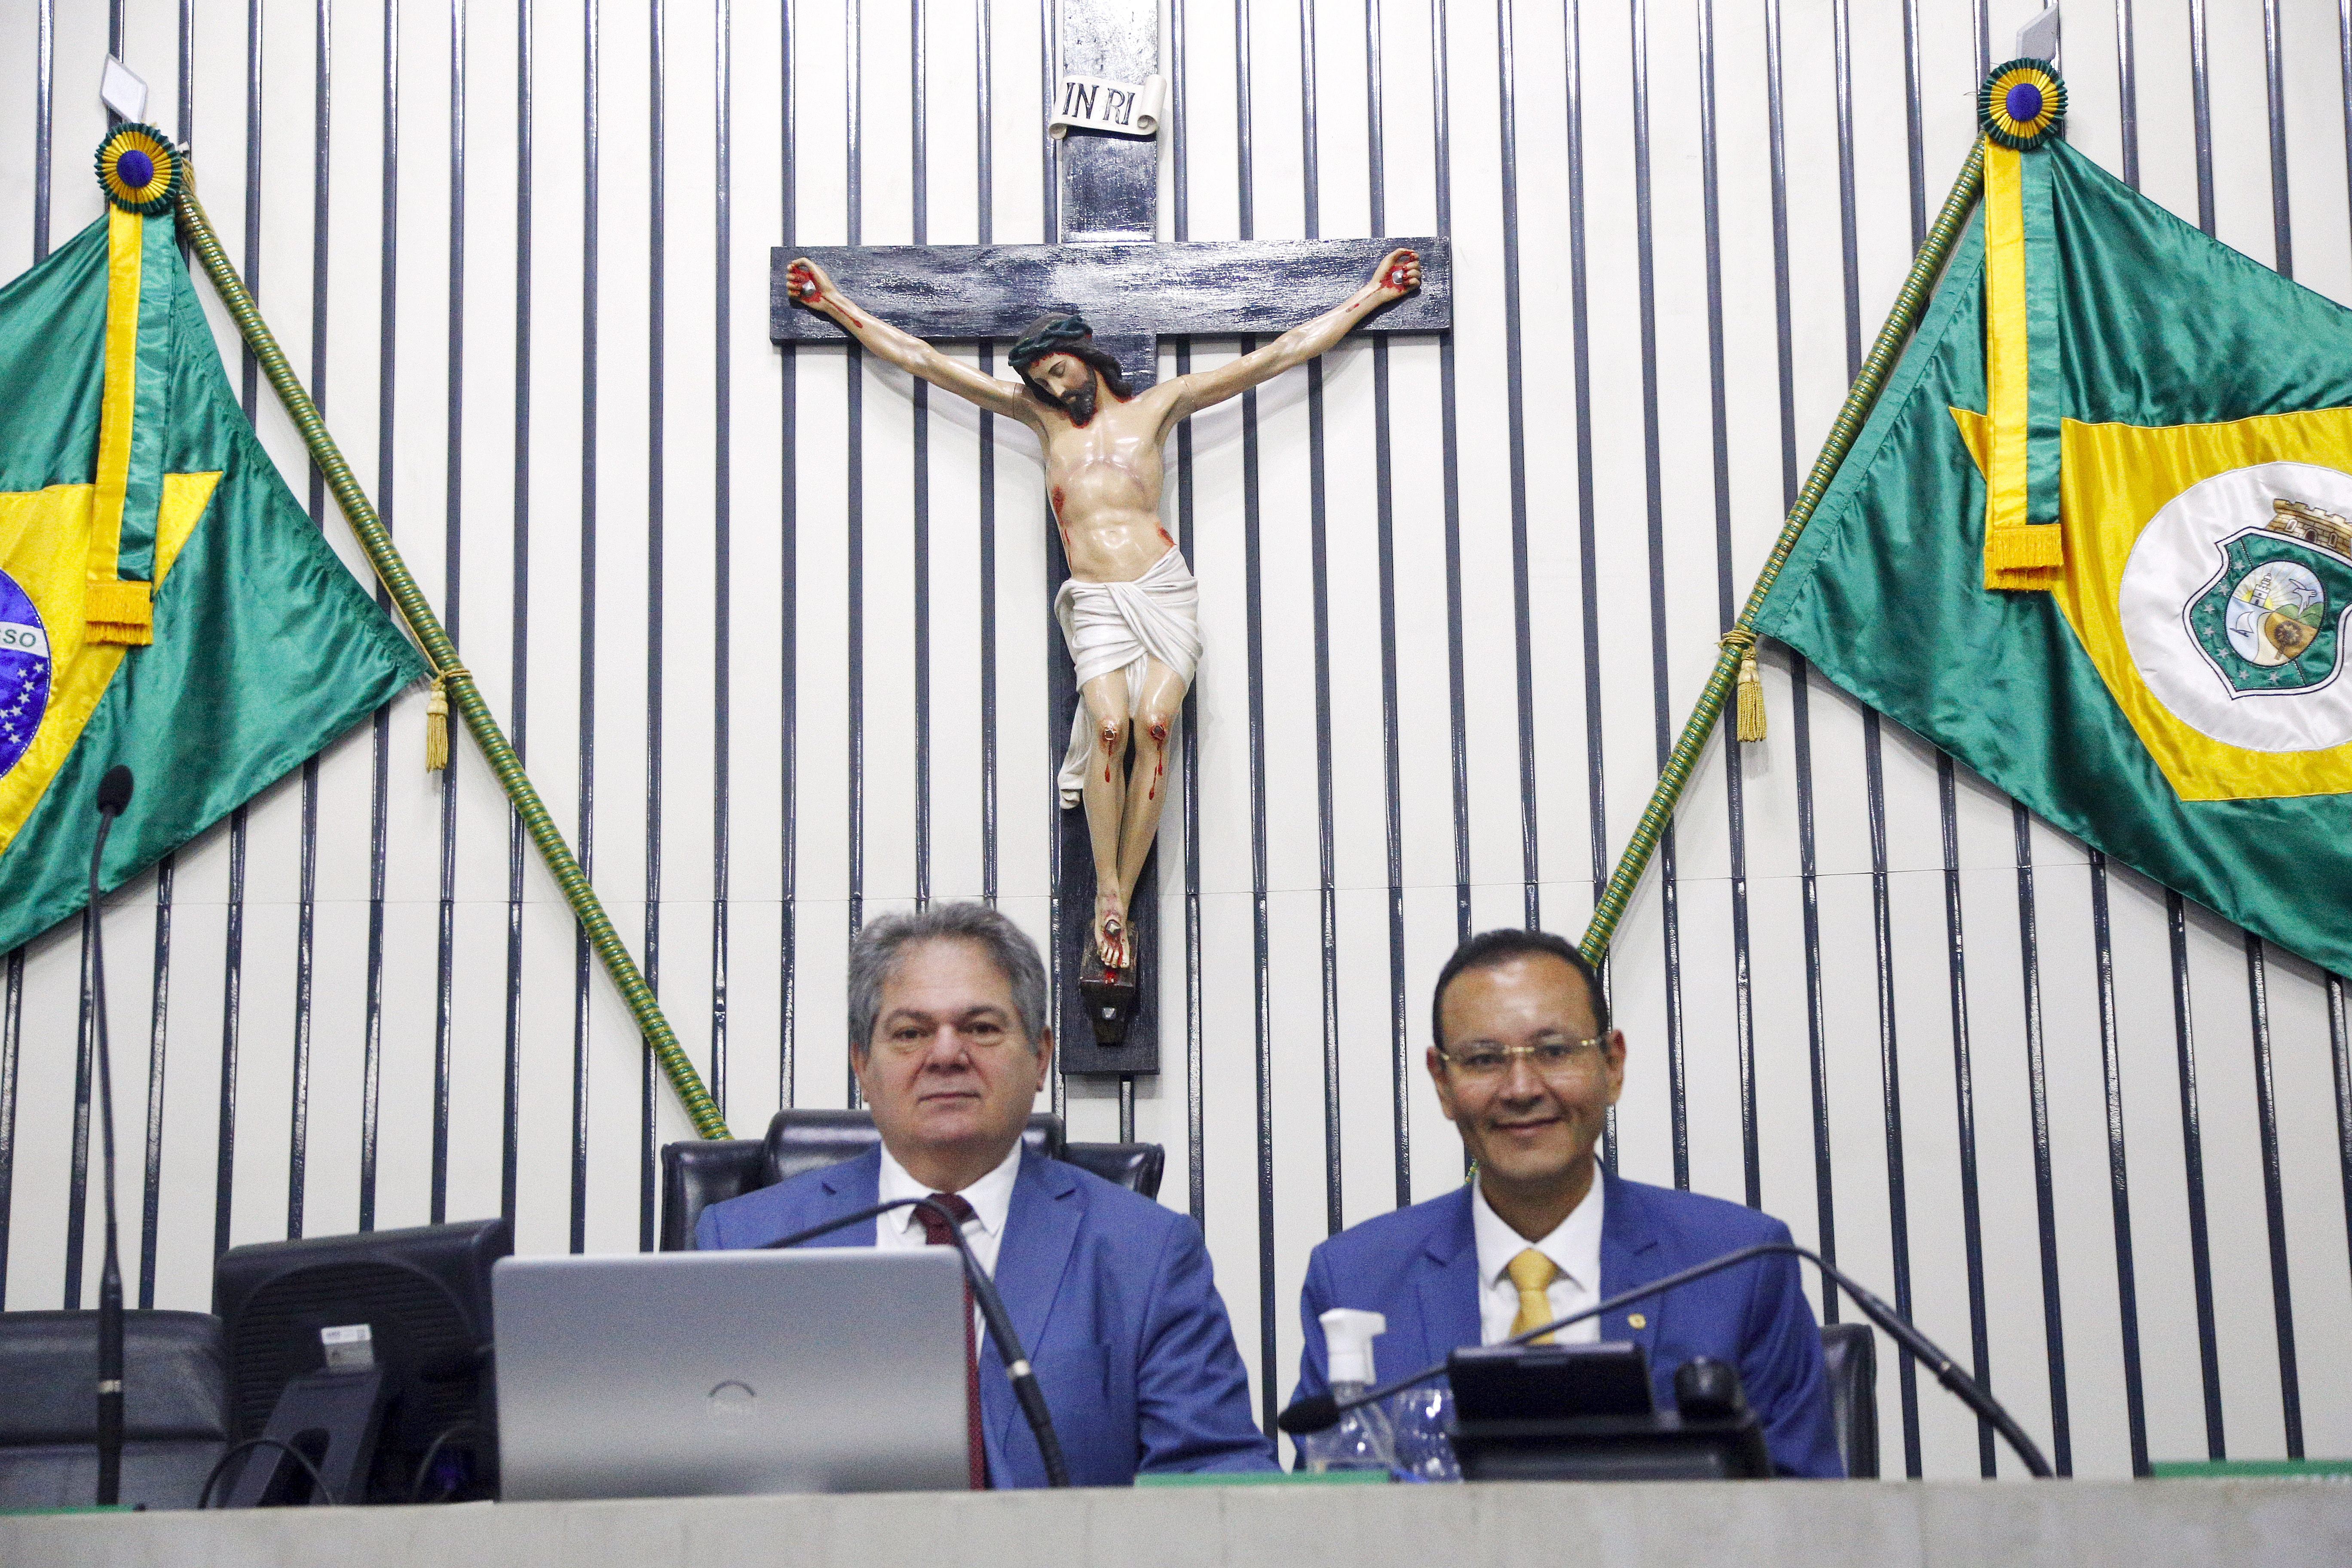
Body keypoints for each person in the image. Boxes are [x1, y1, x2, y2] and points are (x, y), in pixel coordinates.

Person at [781, 250, 1421, 976]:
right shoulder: (1040, 421)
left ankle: (1124, 886)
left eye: (1060, 370)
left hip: (1158, 586)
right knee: (1110, 727)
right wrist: (835, 303)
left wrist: (1370, 296)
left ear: (1086, 357)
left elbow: (1279, 355)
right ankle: (1107, 894)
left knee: (1155, 724)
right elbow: (923, 359)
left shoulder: (1161, 404)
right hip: (1094, 599)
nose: (1054, 386)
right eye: (1041, 379)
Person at [696, 902, 1278, 1486]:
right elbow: (691, 1480)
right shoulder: (747, 1245)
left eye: (981, 1028)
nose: (947, 1055)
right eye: (910, 1032)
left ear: (1041, 1057)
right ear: (862, 1065)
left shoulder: (1145, 1256)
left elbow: (1218, 1477)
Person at [1289, 928, 1846, 1477]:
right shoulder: (1356, 1279)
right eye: (1484, 1060)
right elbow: (1325, 1520)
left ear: (1613, 1064)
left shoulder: (1739, 1265)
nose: (1522, 1087)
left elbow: (1806, 1516)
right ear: (1441, 1082)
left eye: (1554, 1051)